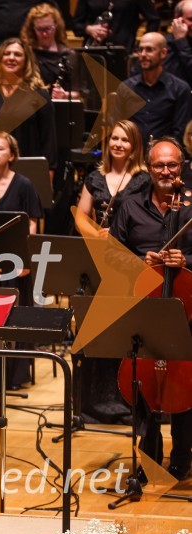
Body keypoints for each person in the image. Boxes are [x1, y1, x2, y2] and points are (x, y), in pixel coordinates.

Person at [110, 138, 192, 481]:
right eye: (159, 165)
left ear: (182, 167)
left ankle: (183, 453)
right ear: (149, 167)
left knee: (186, 379)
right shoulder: (129, 207)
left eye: (172, 165)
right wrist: (136, 262)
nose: (166, 171)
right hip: (143, 304)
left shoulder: (190, 209)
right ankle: (149, 452)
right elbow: (111, 254)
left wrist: (186, 259)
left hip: (186, 308)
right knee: (142, 381)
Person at [0, 131, 43, 389]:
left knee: (15, 314)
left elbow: (32, 223)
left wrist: (21, 258)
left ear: (12, 155)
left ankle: (14, 375)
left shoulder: (24, 184)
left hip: (16, 260)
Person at [0, 38, 57, 174]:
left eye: (17, 54)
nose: (11, 58)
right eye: (7, 54)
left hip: (26, 170)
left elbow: (49, 142)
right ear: (0, 59)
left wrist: (49, 176)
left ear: (26, 61)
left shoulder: (39, 95)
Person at [117, 33, 192, 145]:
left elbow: (179, 133)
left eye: (149, 50)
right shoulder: (126, 87)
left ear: (163, 53)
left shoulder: (180, 89)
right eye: (140, 49)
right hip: (133, 155)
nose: (143, 54)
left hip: (165, 157)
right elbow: (120, 127)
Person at [77, 120, 150, 229]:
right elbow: (80, 220)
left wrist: (114, 233)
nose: (118, 144)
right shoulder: (94, 178)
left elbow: (148, 222)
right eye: (114, 138)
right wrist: (96, 234)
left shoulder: (145, 180)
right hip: (99, 242)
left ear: (135, 146)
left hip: (128, 244)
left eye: (125, 140)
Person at [20, 3, 79, 98]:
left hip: (59, 107)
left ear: (56, 25)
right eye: (39, 29)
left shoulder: (68, 54)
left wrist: (64, 95)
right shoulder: (27, 52)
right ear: (32, 28)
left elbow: (77, 92)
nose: (44, 34)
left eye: (48, 28)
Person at [73, 0, 160, 53]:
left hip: (123, 52)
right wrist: (88, 29)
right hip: (92, 52)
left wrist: (140, 47)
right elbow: (75, 24)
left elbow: (154, 20)